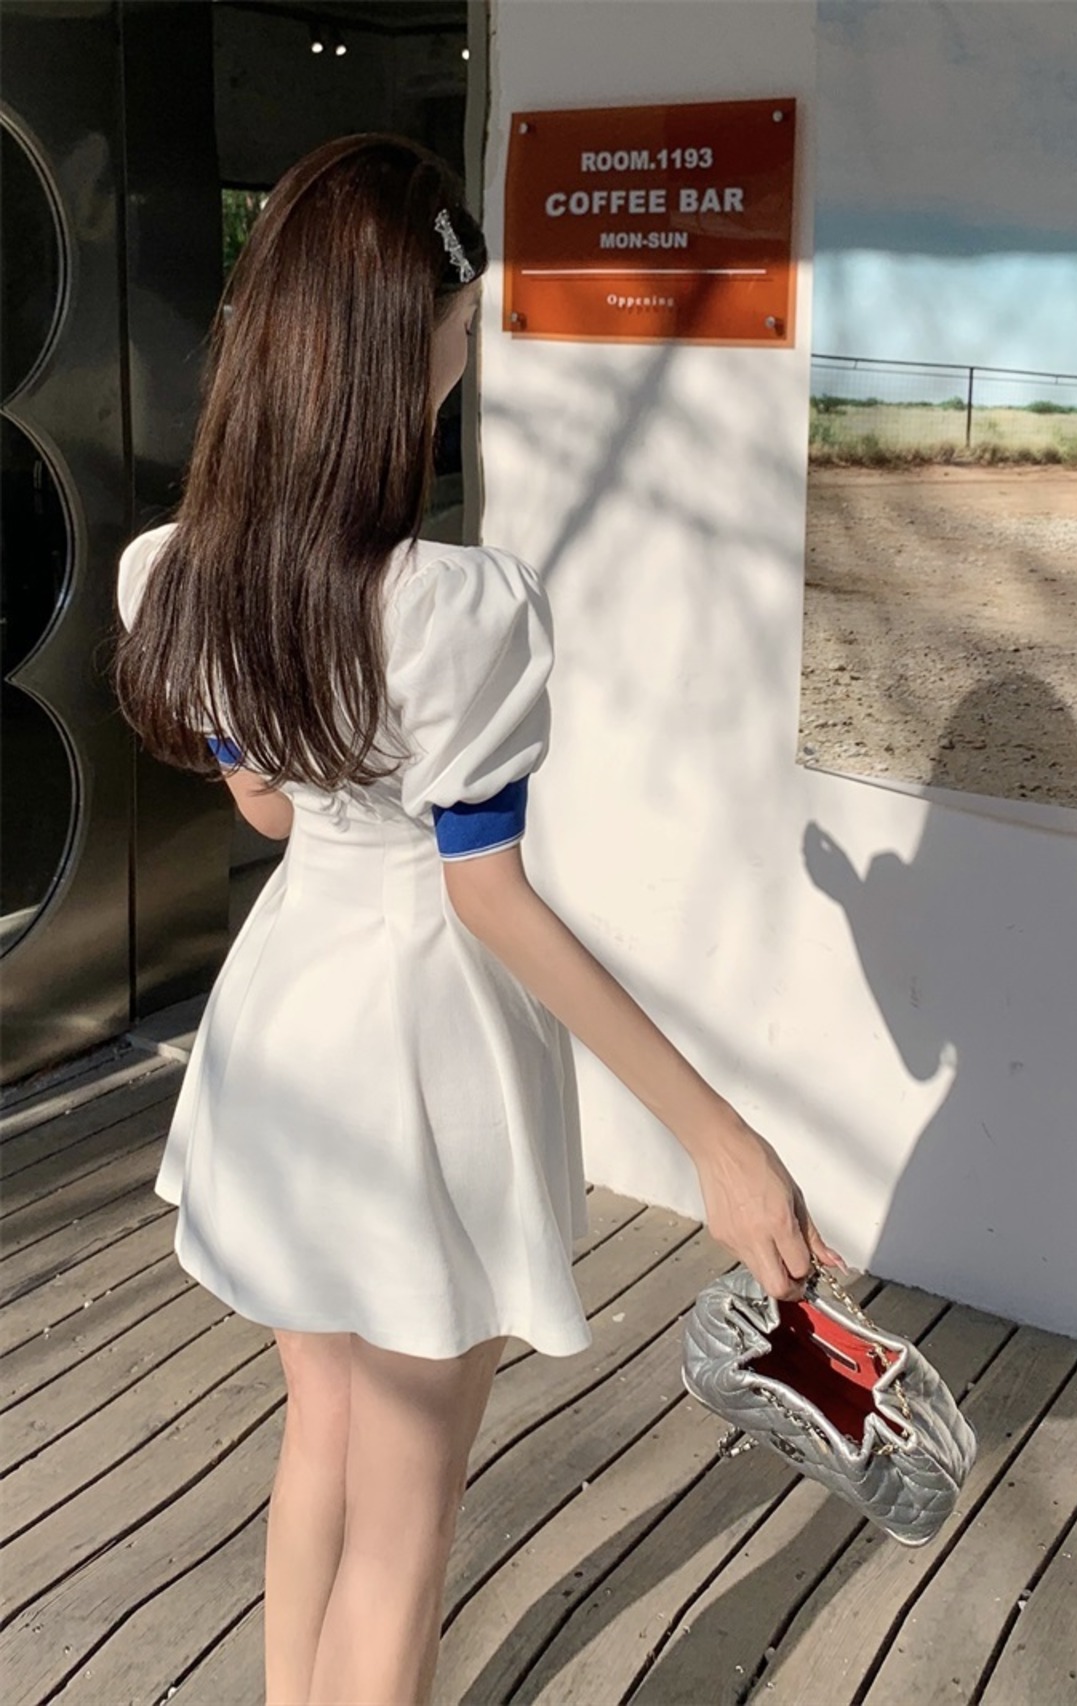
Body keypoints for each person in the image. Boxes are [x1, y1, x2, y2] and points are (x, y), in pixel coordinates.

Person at [114, 134, 842, 1706]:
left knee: (320, 1432)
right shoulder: (454, 610)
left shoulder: (173, 573)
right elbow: (484, 892)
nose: (465, 354)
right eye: (459, 324)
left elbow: (266, 810)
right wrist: (720, 1142)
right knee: (407, 1523)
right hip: (412, 1053)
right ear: (404, 347)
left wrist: (315, 758)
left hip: (278, 1028)